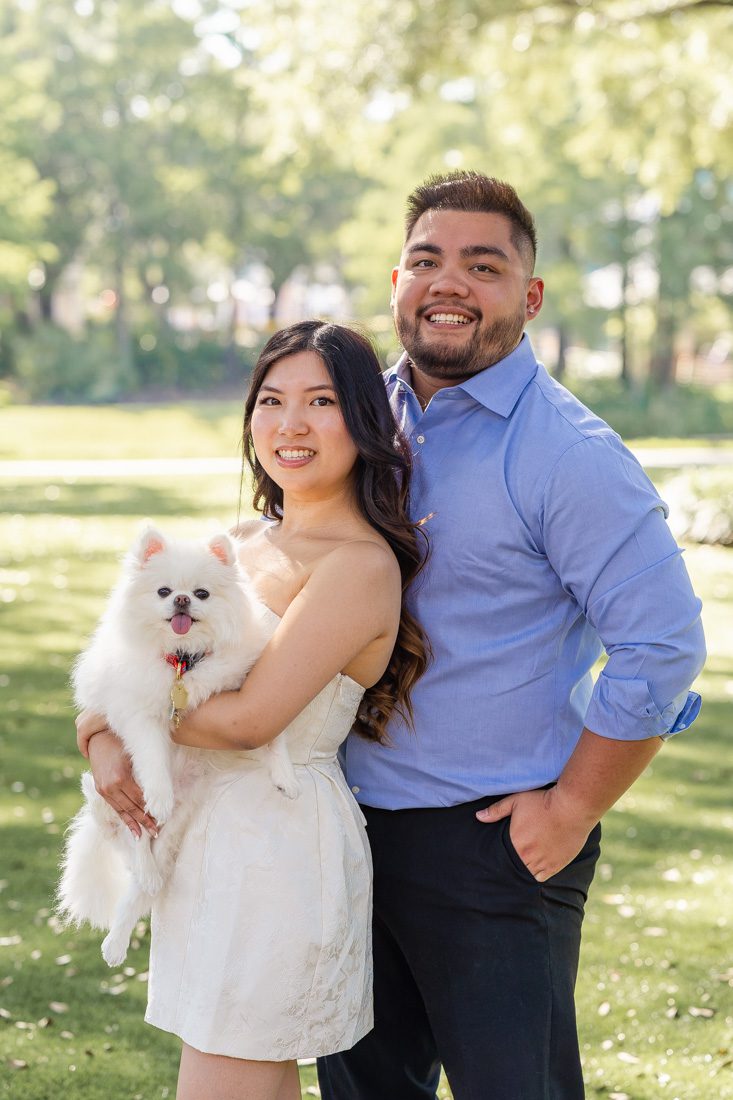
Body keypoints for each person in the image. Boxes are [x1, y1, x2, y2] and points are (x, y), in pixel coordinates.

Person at [316, 172, 706, 1100]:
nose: (448, 282)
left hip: (491, 844)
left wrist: (571, 807)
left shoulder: (567, 454)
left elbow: (660, 646)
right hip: (337, 829)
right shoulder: (349, 421)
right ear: (397, 283)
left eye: (481, 265)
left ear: (527, 298)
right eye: (426, 260)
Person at [75, 320, 429, 1100]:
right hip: (206, 835)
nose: (289, 424)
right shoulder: (236, 542)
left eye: (320, 401)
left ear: (364, 420)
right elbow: (129, 660)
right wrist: (99, 738)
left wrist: (114, 716)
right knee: (244, 1078)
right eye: (270, 401)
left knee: (223, 1077)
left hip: (274, 846)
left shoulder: (358, 565)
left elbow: (246, 722)